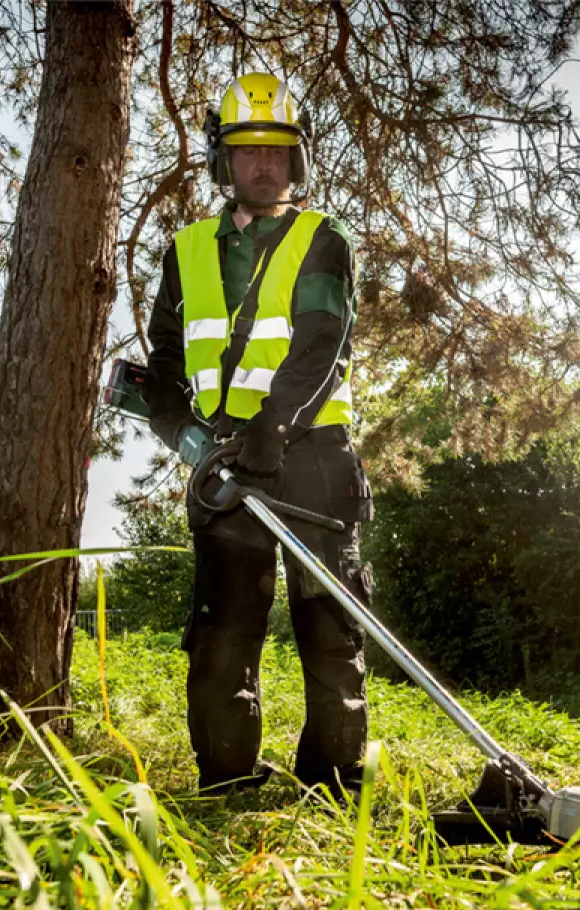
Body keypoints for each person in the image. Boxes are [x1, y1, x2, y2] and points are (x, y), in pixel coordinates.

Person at [142, 72, 373, 798]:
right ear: (225, 161)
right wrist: (179, 428)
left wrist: (274, 423)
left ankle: (332, 782)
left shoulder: (322, 238)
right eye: (248, 151)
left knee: (329, 623)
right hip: (224, 464)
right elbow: (164, 363)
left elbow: (321, 341)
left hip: (310, 456)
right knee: (221, 629)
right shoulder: (185, 251)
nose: (264, 164)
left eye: (277, 150)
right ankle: (226, 779)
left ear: (296, 159)